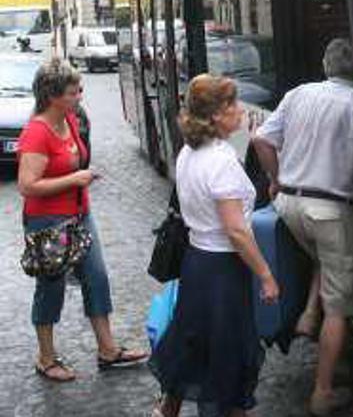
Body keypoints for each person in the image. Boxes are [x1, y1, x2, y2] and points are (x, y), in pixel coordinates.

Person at [150, 74, 280, 417]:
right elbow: (236, 230)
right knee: (229, 354)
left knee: (194, 343)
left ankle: (166, 411)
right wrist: (265, 274)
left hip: (197, 263)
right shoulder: (220, 161)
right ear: (216, 116)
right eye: (232, 105)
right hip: (223, 269)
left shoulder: (189, 153)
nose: (239, 110)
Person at [17, 58, 148, 383]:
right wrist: (75, 179)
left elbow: (76, 159)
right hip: (47, 221)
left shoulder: (71, 120)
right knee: (51, 287)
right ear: (53, 96)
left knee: (97, 277)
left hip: (79, 214)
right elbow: (27, 186)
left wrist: (80, 180)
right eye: (75, 91)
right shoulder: (37, 132)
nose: (80, 96)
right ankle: (46, 358)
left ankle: (107, 349)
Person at [253, 38, 353, 416]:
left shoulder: (299, 93)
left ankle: (306, 316)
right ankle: (323, 391)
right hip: (332, 211)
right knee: (341, 305)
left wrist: (276, 178)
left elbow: (261, 139)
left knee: (322, 258)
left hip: (290, 206)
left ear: (324, 63)